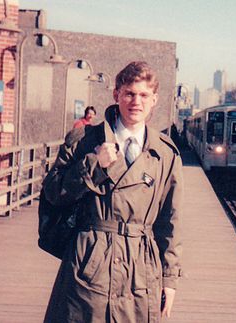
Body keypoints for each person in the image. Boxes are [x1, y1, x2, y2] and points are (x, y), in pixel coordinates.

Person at [42, 61, 183, 322]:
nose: (135, 102)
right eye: (129, 93)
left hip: (141, 268)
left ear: (154, 100)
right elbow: (53, 193)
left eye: (143, 95)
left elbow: (169, 221)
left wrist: (170, 279)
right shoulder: (84, 140)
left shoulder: (165, 153)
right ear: (116, 94)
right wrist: (93, 165)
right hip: (90, 261)